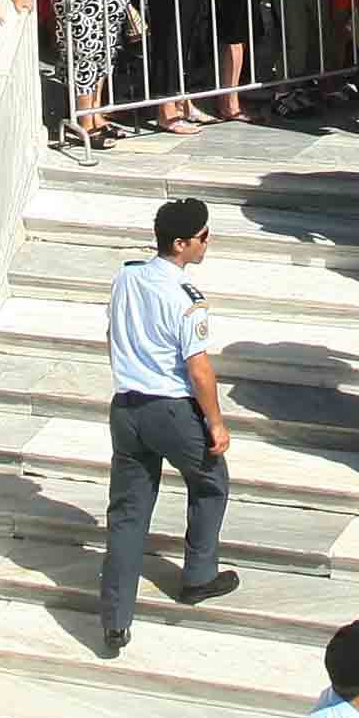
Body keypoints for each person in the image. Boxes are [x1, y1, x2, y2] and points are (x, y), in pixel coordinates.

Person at [96, 198, 235, 657]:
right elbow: (199, 370)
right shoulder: (186, 299)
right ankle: (198, 574)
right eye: (202, 236)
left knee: (127, 515)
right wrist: (215, 422)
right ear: (182, 244)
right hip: (169, 409)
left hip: (126, 408)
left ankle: (115, 622)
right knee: (211, 480)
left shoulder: (127, 274)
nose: (206, 242)